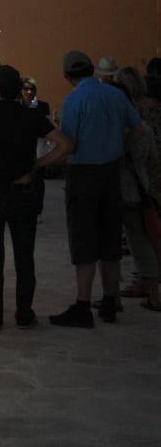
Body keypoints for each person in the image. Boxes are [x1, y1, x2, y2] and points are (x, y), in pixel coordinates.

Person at [0, 64, 72, 330]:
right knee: (24, 257)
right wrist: (37, 165)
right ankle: (24, 315)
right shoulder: (32, 116)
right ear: (19, 88)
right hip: (24, 192)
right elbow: (66, 144)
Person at [50, 50, 144, 327]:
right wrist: (120, 149)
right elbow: (138, 130)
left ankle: (83, 304)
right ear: (92, 70)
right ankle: (111, 299)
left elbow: (69, 144)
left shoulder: (74, 100)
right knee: (110, 237)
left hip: (83, 173)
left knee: (84, 239)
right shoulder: (115, 95)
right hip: (111, 171)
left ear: (67, 76)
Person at [112, 67, 161, 311]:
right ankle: (150, 289)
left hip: (123, 189)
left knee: (132, 242)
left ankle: (149, 293)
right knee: (144, 239)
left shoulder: (120, 130)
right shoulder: (146, 127)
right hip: (142, 187)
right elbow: (153, 162)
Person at [21, 76, 53, 217]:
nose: (28, 92)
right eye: (25, 88)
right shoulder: (16, 106)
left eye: (32, 89)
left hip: (38, 149)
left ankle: (37, 210)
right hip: (21, 149)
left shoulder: (43, 106)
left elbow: (47, 129)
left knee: (38, 181)